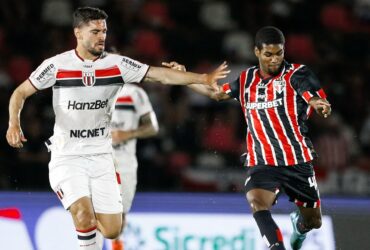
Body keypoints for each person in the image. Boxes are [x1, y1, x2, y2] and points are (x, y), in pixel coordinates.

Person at [5, 7, 229, 250]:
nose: (102, 36)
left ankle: (89, 229)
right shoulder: (56, 65)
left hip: (101, 157)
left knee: (112, 229)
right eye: (95, 31)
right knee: (84, 216)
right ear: (78, 33)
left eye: (104, 31)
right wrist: (13, 124)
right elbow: (20, 92)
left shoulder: (117, 65)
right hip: (67, 155)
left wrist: (202, 78)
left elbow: (159, 75)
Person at [164, 26, 332, 250]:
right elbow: (216, 93)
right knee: (257, 202)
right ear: (257, 52)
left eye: (279, 53)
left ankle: (299, 227)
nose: (274, 60)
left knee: (313, 221)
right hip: (261, 160)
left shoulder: (297, 74)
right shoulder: (246, 79)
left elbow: (311, 96)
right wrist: (184, 77)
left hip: (297, 160)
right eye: (268, 54)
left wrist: (319, 105)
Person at [110, 83, 159, 250]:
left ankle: (116, 244)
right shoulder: (92, 88)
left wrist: (127, 134)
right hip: (96, 159)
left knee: (119, 216)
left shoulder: (135, 93)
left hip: (124, 161)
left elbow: (153, 127)